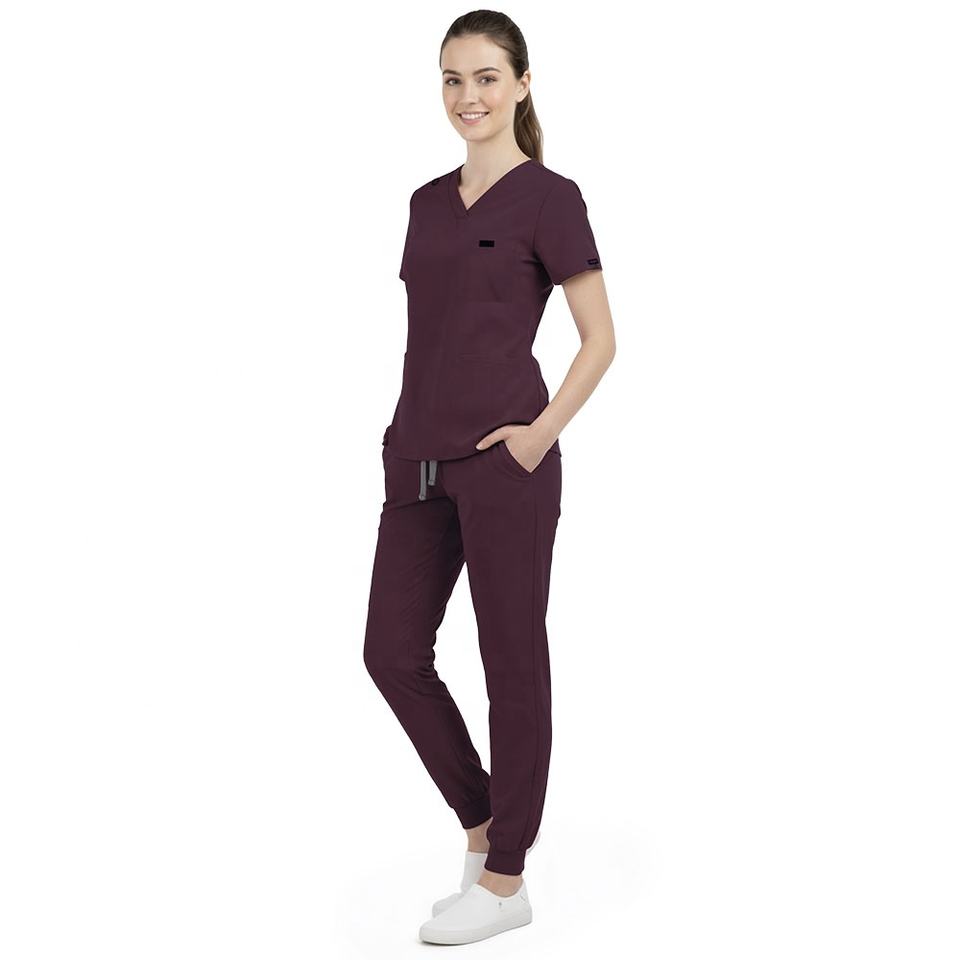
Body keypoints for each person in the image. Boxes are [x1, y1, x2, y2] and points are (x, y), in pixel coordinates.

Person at [363, 11, 616, 945]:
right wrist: (402, 439)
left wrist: (538, 436)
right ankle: (482, 830)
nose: (467, 96)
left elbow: (601, 339)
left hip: (508, 464)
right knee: (391, 653)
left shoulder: (550, 198)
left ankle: (506, 881)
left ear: (521, 84)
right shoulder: (427, 203)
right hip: (415, 460)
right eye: (451, 78)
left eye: (484, 78)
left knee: (511, 662)